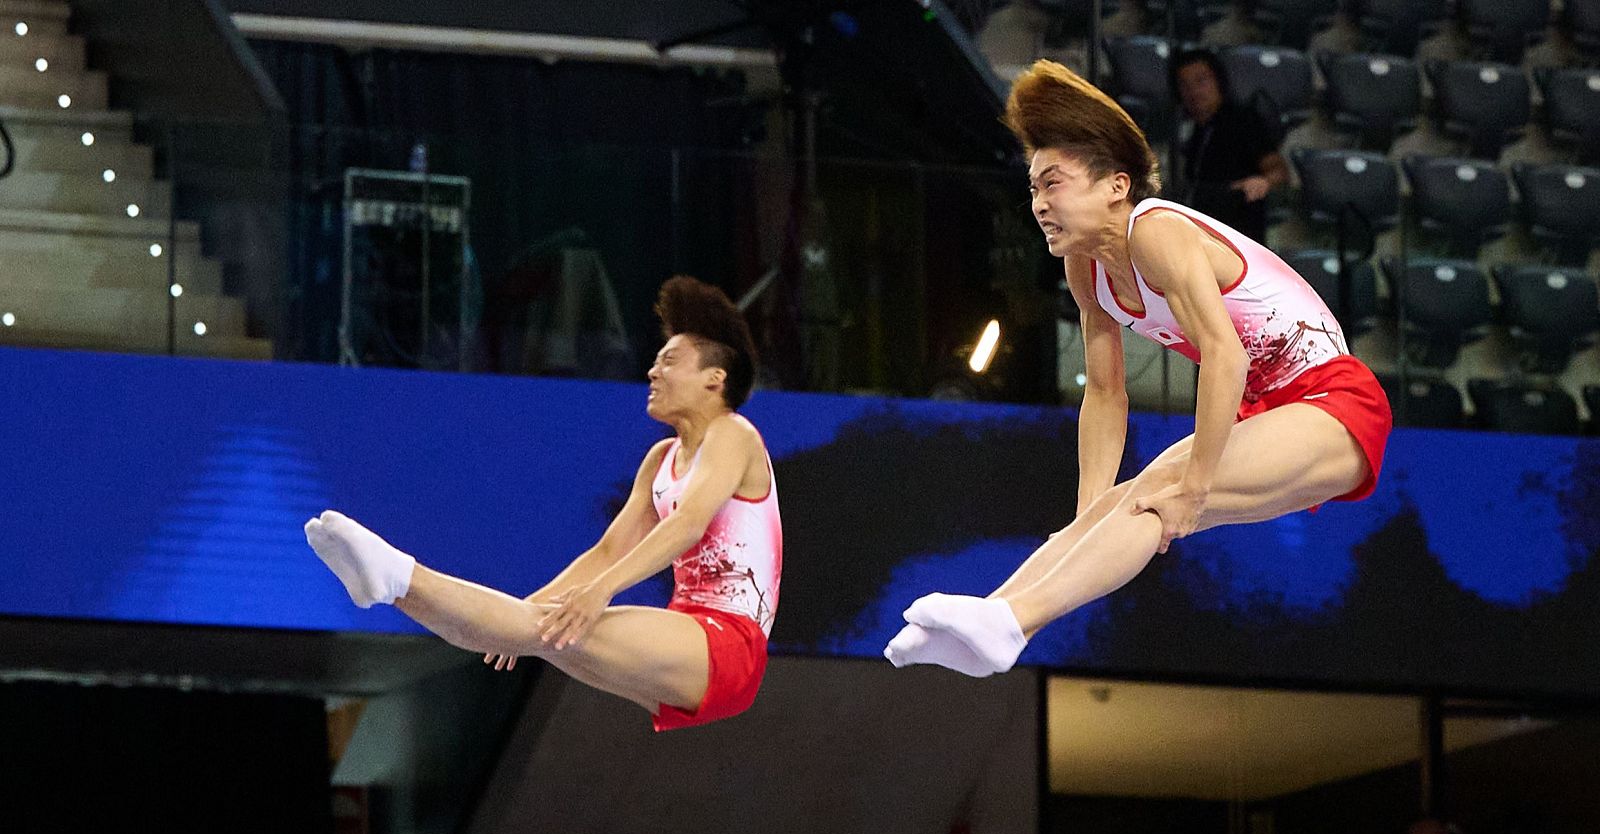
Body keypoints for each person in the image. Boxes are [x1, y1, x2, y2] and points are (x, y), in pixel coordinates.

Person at [884, 59, 1391, 677]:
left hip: (1331, 402)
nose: (1039, 204)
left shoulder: (1157, 231)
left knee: (1161, 491)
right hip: (1267, 410)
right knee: (1121, 504)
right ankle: (993, 624)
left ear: (1116, 186)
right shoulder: (1084, 266)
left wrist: (1195, 489)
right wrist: (1086, 521)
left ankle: (1009, 620)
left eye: (1053, 184)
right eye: (1034, 189)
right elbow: (1104, 394)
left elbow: (1225, 356)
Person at [305, 276, 782, 730]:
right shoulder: (660, 459)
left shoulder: (733, 434)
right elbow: (606, 552)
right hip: (689, 636)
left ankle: (400, 576)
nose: (653, 371)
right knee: (537, 630)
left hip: (729, 641)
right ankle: (391, 589)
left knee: (537, 628)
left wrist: (599, 592)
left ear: (715, 378)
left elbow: (688, 524)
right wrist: (524, 609)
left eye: (670, 361)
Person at [1170, 47, 1289, 243]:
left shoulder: (1244, 120)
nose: (1193, 91)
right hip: (1201, 232)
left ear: (1219, 81)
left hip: (1238, 232)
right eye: (1185, 85)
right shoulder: (1193, 131)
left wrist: (1262, 182)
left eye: (1201, 81)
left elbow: (1278, 170)